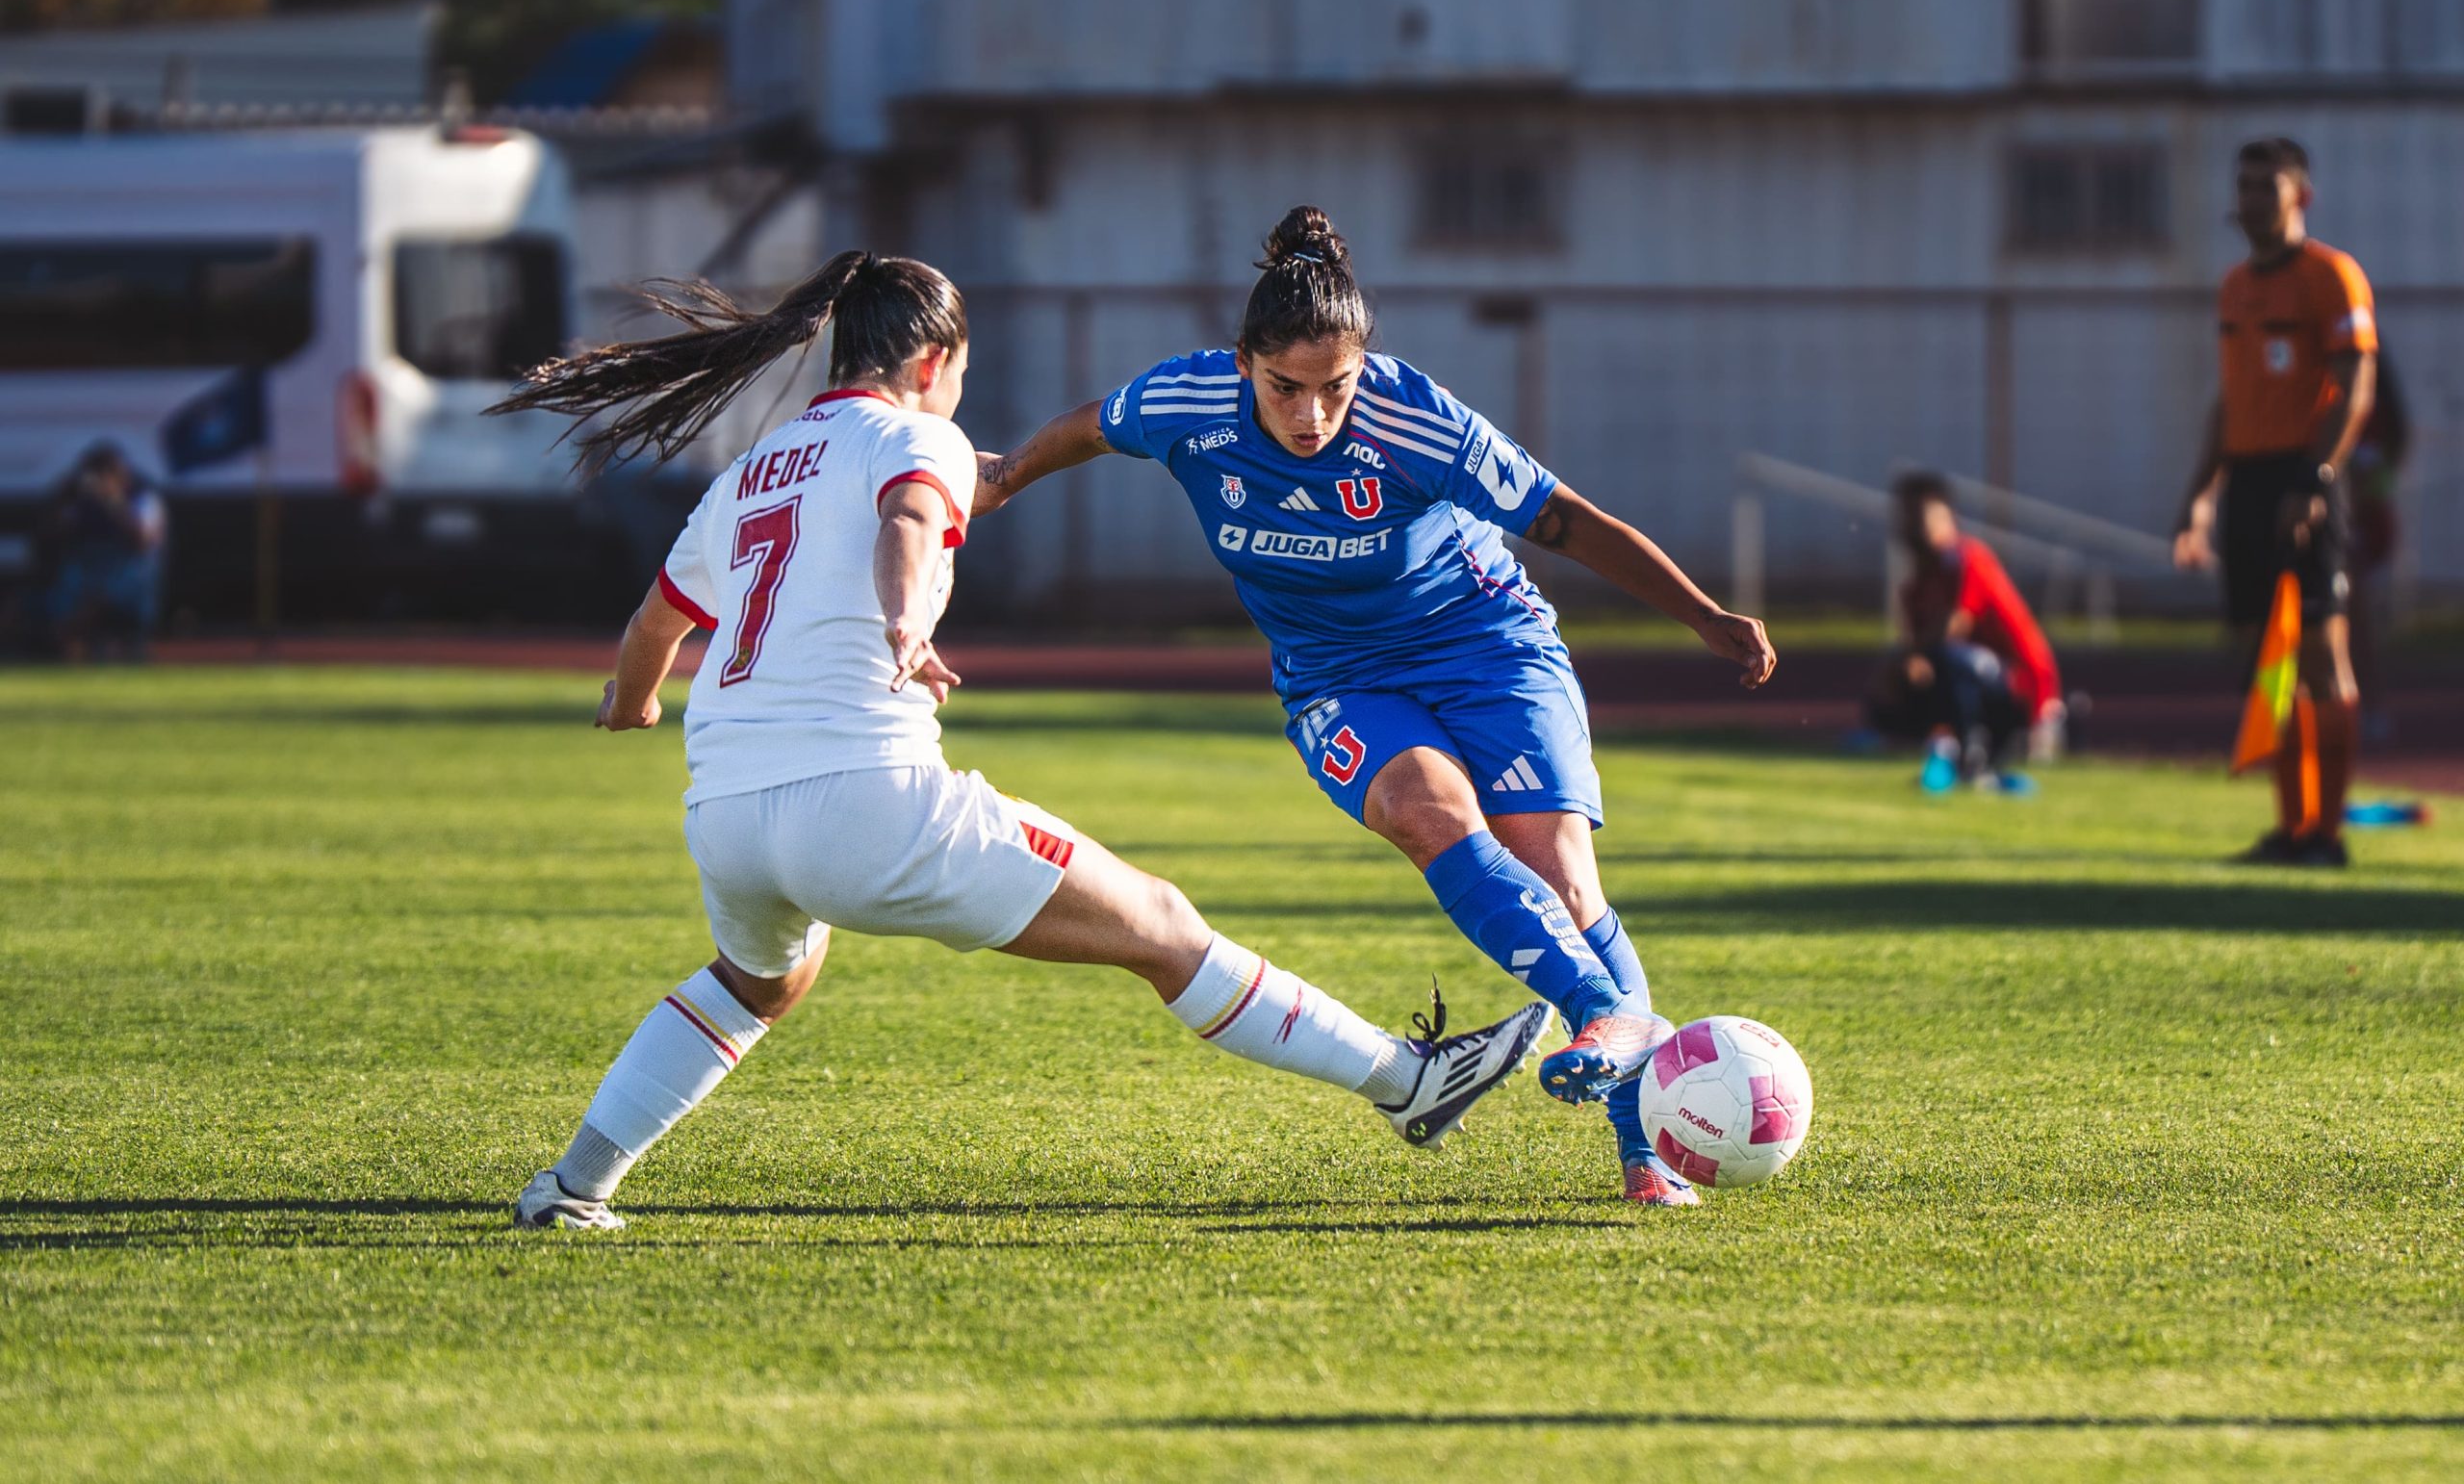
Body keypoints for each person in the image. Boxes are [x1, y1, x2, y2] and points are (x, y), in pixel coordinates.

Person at [486, 252, 1550, 1231]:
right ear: (936, 360)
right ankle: (1409, 1083)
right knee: (1162, 928)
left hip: (723, 814)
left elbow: (652, 628)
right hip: (867, 804)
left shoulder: (750, 473)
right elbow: (908, 518)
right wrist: (908, 623)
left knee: (755, 982)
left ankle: (574, 1186)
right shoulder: (918, 434)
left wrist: (633, 708)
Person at [973, 207, 1777, 1208]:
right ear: (1241, 366)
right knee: (1423, 812)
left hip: (1486, 645)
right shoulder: (1184, 401)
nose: (1312, 415)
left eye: (1334, 389)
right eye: (1285, 389)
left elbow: (1563, 519)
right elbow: (1091, 426)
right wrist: (1002, 477)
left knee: (1562, 877)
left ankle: (1639, 1143)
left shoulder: (1415, 422)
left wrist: (1702, 616)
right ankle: (1609, 1021)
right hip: (1337, 674)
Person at [2171, 138, 2377, 869]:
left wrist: (2317, 478)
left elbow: (2356, 386)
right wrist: (2201, 496)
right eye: (2246, 184)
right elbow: (2230, 401)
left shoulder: (2332, 277)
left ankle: (2328, 832)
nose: (2253, 198)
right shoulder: (2236, 288)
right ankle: (2293, 830)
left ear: (2301, 196)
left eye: (2269, 184)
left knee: (2323, 655)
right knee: (2272, 662)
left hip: (2304, 477)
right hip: (2250, 483)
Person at [1868, 473, 2062, 796]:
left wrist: (1908, 658)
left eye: (1921, 518)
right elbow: (1920, 657)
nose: (1913, 528)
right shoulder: (1916, 586)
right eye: (1907, 517)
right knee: (1904, 676)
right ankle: (1945, 750)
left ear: (1948, 519)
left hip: (2021, 687)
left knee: (1948, 657)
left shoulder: (1969, 559)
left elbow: (1953, 626)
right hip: (1975, 684)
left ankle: (1974, 760)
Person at [41, 442, 166, 661]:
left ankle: (70, 638)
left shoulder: (142, 497)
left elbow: (144, 540)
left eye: (110, 473)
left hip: (128, 569)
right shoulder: (78, 500)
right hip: (87, 565)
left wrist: (113, 501)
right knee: (67, 589)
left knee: (105, 594)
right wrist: (66, 493)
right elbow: (52, 534)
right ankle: (63, 642)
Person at [2348, 350, 2410, 746]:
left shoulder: (2377, 414)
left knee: (2355, 617)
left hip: (2361, 521)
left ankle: (2370, 705)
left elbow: (2373, 472)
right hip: (2345, 517)